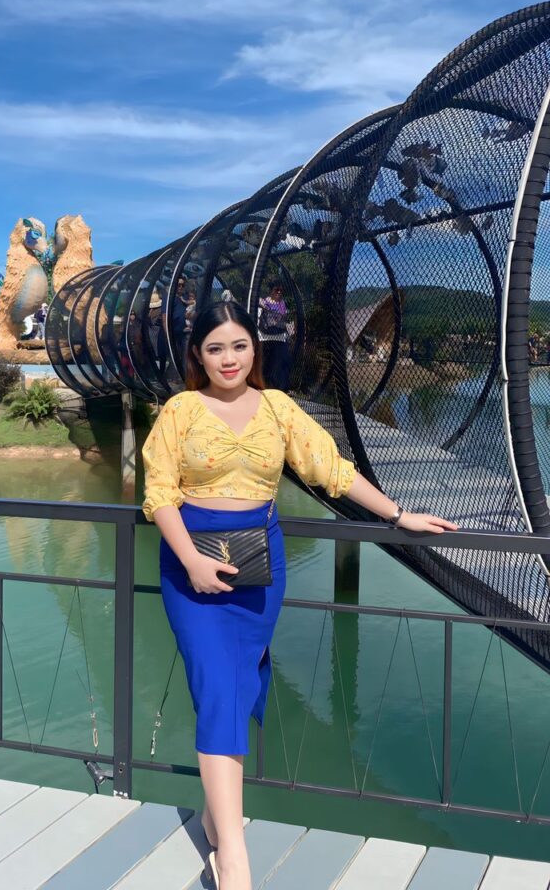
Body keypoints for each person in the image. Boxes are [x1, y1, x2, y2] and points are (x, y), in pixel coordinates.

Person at [142, 301, 457, 890]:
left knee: (240, 686)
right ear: (198, 356)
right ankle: (233, 858)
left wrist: (398, 515)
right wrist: (191, 561)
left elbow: (332, 470)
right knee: (217, 689)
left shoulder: (278, 408)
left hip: (259, 563)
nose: (229, 359)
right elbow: (159, 493)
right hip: (192, 566)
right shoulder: (180, 410)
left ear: (254, 349)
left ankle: (215, 816)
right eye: (215, 348)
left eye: (239, 346)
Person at [257, 281, 291, 390]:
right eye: (277, 290)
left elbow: (284, 317)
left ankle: (282, 387)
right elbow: (259, 303)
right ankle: (263, 383)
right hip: (267, 334)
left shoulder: (282, 303)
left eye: (281, 290)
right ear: (271, 291)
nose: (279, 292)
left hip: (279, 334)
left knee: (282, 360)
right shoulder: (266, 301)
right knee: (268, 360)